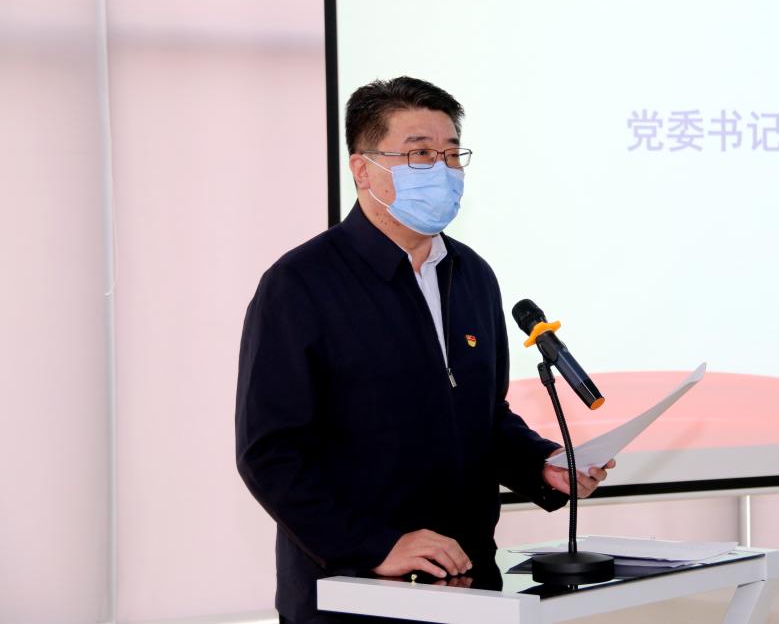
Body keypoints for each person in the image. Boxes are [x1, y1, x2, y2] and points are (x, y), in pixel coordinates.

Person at [235, 76, 614, 623]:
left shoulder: (472, 274)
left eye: (452, 154)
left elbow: (482, 415)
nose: (442, 169)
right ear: (363, 169)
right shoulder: (300, 285)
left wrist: (542, 465)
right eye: (419, 154)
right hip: (352, 593)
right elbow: (270, 451)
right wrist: (374, 545)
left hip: (468, 583)